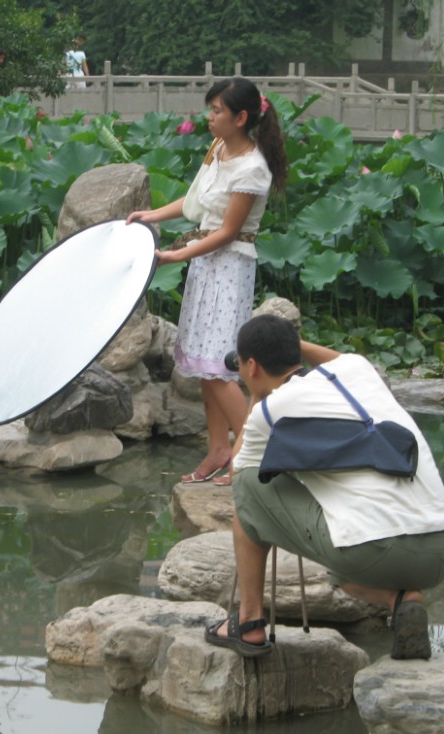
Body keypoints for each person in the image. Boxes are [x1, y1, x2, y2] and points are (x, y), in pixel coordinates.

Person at [204, 315, 444, 660]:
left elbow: (238, 474)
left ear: (250, 365)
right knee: (343, 577)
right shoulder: (359, 368)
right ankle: (401, 601)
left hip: (369, 552)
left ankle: (248, 622)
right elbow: (324, 358)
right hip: (439, 551)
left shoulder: (270, 410)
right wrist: (285, 342)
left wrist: (254, 397)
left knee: (248, 485)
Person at [126, 77, 288, 485]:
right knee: (202, 364)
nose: (209, 117)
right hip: (204, 264)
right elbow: (197, 203)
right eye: (210, 109)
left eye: (217, 111)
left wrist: (176, 254)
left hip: (229, 266)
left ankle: (250, 452)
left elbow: (229, 231)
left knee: (219, 367)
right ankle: (218, 448)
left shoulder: (253, 168)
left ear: (242, 117)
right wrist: (153, 215)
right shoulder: (217, 149)